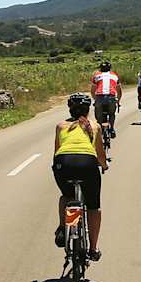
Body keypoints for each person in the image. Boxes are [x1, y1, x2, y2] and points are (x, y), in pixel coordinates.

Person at [53, 93, 108, 260]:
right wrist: (104, 166)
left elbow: (56, 151)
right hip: (87, 164)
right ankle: (93, 248)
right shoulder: (94, 126)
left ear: (70, 109)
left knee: (66, 196)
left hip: (63, 163)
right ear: (88, 109)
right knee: (93, 206)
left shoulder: (61, 126)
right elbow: (100, 155)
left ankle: (63, 228)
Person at [90, 61, 121, 138]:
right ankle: (112, 129)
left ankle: (100, 130)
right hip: (111, 97)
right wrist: (118, 101)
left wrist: (95, 99)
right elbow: (119, 91)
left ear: (100, 68)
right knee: (111, 114)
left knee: (98, 116)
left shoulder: (96, 75)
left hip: (99, 97)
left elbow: (92, 91)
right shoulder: (114, 75)